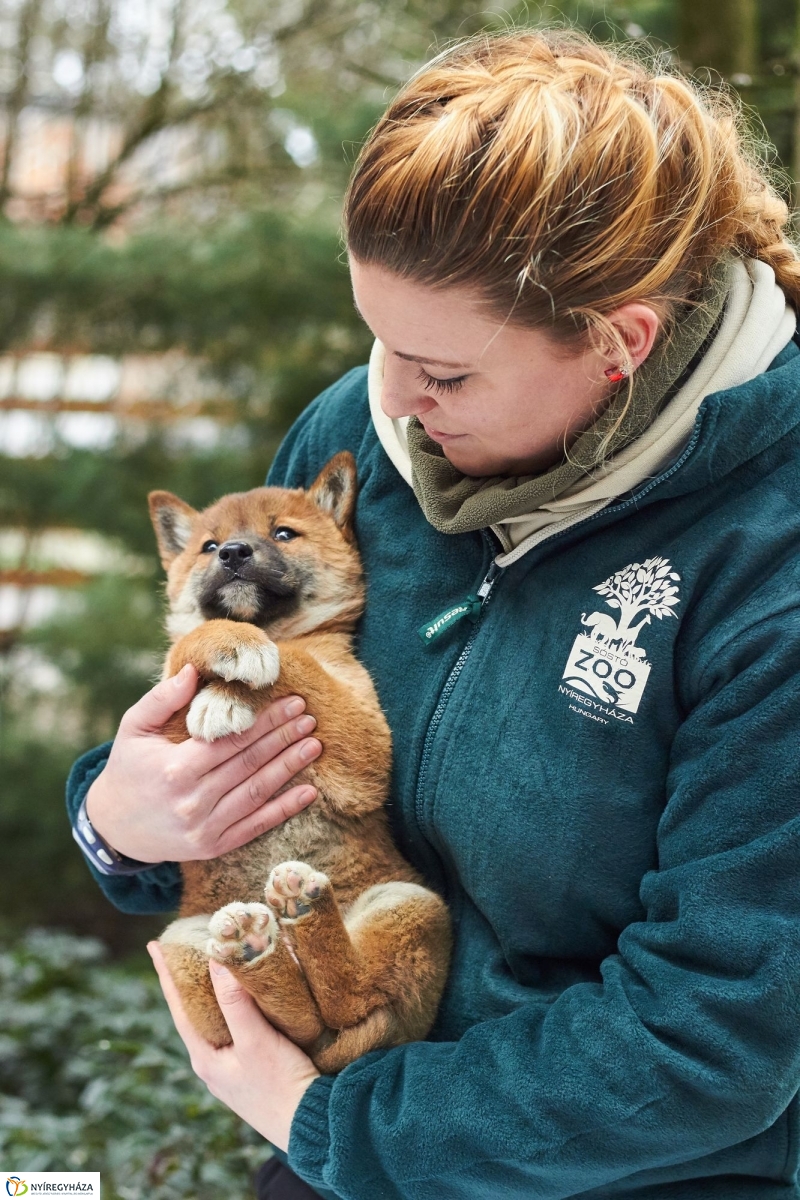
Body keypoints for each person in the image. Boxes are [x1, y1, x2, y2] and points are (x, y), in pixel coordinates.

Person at [65, 28, 800, 1200]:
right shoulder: (360, 433)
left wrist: (338, 1126)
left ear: (619, 343)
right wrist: (126, 820)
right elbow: (245, 715)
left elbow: (716, 1031)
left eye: (446, 374)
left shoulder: (765, 551)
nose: (396, 402)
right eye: (381, 341)